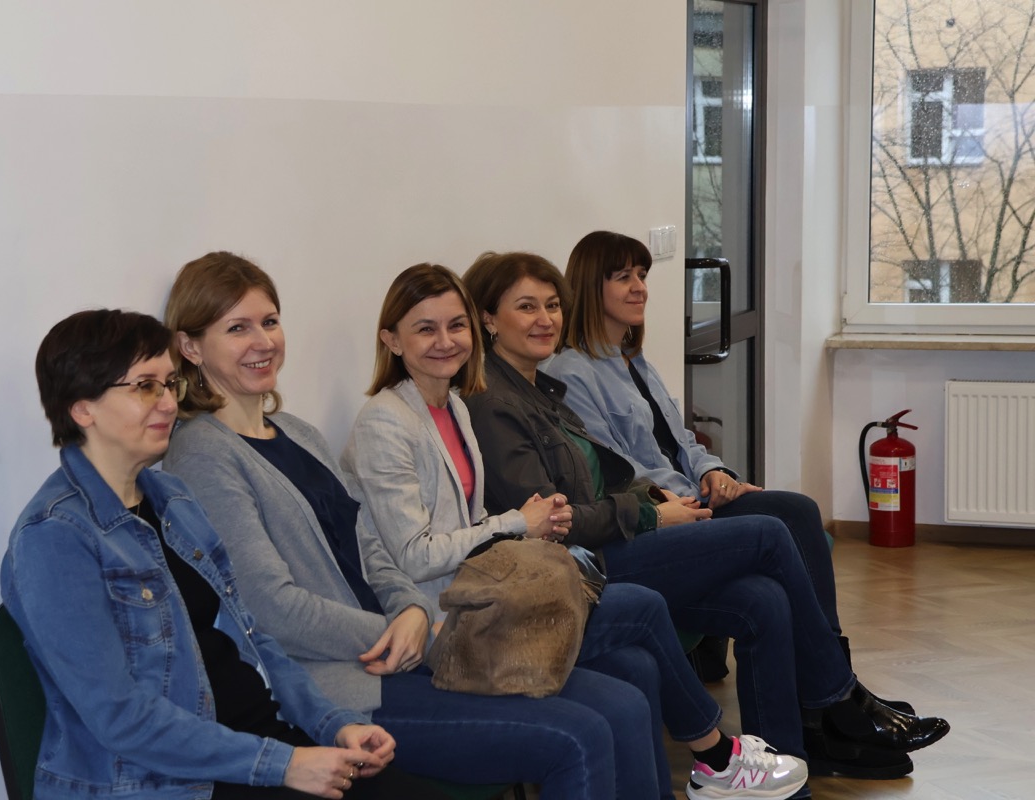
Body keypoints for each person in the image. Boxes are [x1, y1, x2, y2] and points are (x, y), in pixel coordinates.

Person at [160, 251, 659, 800]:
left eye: (269, 321)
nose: (263, 341)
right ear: (190, 347)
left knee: (620, 702)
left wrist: (411, 611)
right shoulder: (203, 453)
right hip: (339, 682)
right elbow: (270, 607)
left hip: (405, 642)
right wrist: (396, 629)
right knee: (579, 735)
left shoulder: (297, 433)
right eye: (237, 328)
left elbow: (367, 544)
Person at [459, 250, 951, 786]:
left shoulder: (539, 388)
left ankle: (784, 771)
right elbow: (555, 521)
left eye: (552, 305)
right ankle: (836, 698)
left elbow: (624, 466)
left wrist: (691, 484)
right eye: (526, 307)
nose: (545, 319)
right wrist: (652, 512)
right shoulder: (496, 403)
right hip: (582, 567)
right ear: (489, 319)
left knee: (763, 598)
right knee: (770, 531)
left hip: (619, 535)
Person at [340, 263, 807, 800]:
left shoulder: (452, 408)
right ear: (391, 340)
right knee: (649, 602)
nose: (446, 341)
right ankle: (719, 756)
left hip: (483, 595)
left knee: (636, 666)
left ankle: (713, 768)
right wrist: (520, 522)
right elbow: (415, 556)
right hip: (445, 622)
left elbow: (473, 521)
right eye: (426, 329)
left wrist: (564, 517)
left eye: (455, 325)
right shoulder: (387, 421)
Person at [1, 308, 445, 800]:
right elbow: (120, 716)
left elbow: (253, 637)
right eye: (145, 387)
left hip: (257, 745)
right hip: (168, 783)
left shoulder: (172, 499)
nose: (168, 402)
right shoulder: (55, 536)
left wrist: (333, 724)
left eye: (169, 384)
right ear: (82, 408)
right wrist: (283, 764)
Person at [547, 230, 848, 663]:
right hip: (670, 509)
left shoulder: (632, 358)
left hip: (697, 493)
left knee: (799, 512)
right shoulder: (572, 372)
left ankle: (829, 666)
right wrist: (684, 495)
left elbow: (680, 438)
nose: (639, 287)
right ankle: (832, 669)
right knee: (793, 518)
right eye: (623, 277)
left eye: (642, 275)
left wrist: (713, 471)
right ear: (591, 286)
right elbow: (618, 468)